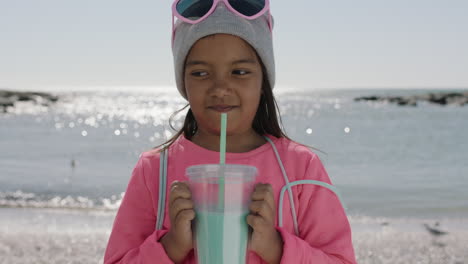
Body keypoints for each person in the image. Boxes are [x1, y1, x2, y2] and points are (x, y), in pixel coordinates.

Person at [104, 0, 356, 263]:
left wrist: (274, 247)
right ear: (183, 82)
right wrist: (171, 246)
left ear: (263, 81)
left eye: (240, 71)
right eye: (201, 73)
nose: (221, 88)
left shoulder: (300, 168)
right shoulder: (155, 169)